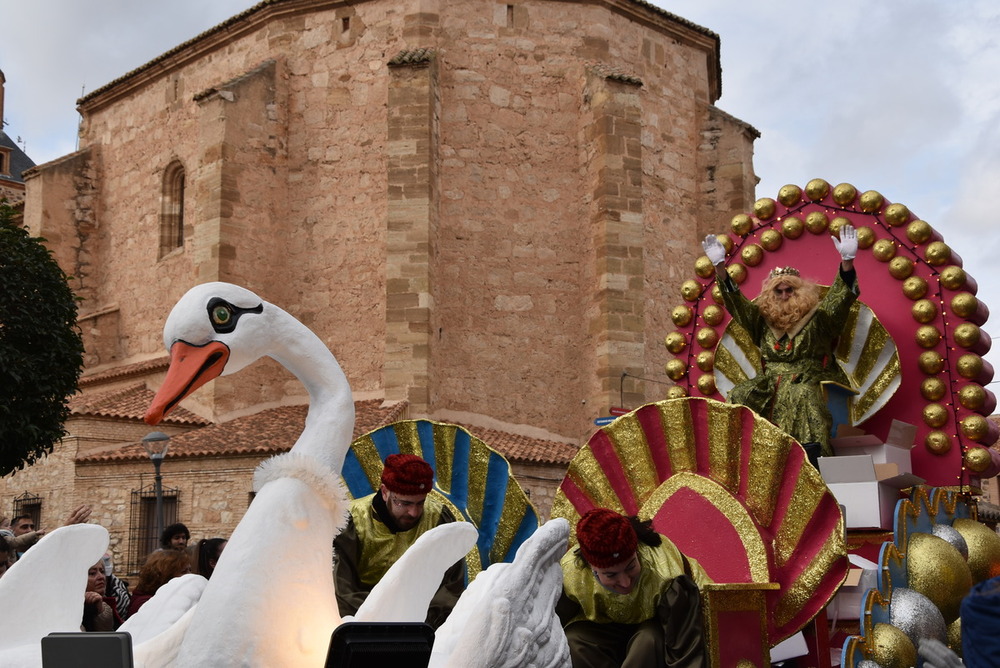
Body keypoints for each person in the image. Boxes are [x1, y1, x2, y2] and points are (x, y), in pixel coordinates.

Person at [701, 225, 859, 466]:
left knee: (802, 395)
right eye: (778, 291)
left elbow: (839, 303)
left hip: (808, 379)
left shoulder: (817, 319)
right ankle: (744, 465)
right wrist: (721, 269)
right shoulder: (762, 322)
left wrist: (847, 264)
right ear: (770, 294)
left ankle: (812, 466)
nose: (784, 295)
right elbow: (738, 305)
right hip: (770, 383)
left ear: (800, 291)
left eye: (789, 290)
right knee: (741, 395)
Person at [557, 508, 712, 668]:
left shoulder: (666, 575)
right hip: (605, 630)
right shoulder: (571, 575)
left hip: (663, 629)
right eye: (611, 575)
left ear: (637, 552)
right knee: (574, 641)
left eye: (630, 567)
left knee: (647, 641)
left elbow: (686, 649)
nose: (625, 583)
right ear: (592, 568)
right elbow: (551, 629)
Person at [333, 453, 465, 628]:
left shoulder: (440, 519)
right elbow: (342, 590)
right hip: (362, 627)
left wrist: (419, 625)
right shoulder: (351, 520)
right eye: (405, 503)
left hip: (421, 628)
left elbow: (450, 586)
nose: (414, 512)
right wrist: (384, 621)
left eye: (420, 503)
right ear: (385, 492)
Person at [128, 549, 192, 616]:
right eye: (184, 571)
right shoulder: (145, 605)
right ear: (166, 575)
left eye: (190, 570)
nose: (190, 575)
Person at [82, 559, 122, 631]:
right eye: (92, 573)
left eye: (102, 571)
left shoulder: (106, 604)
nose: (101, 577)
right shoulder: (70, 608)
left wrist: (101, 610)